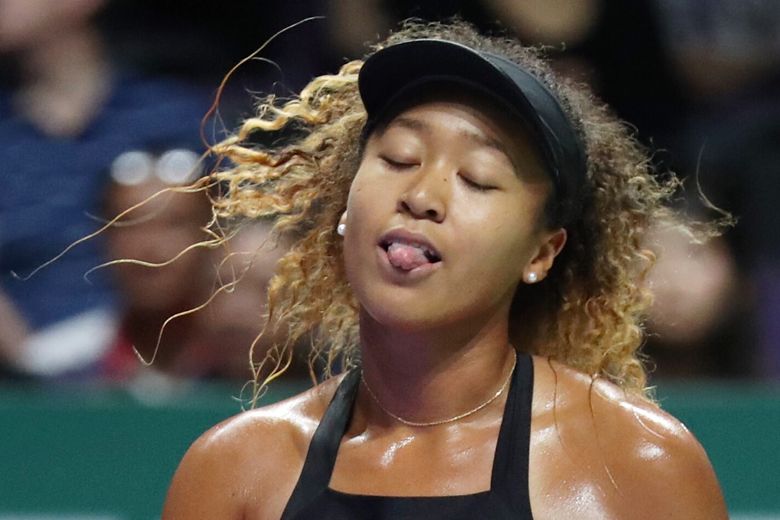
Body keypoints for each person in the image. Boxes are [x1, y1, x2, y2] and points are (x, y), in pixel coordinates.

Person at [162, 21, 728, 518]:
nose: (422, 195)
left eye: (477, 179)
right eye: (399, 158)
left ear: (541, 254)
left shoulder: (637, 465)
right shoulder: (234, 470)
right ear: (344, 207)